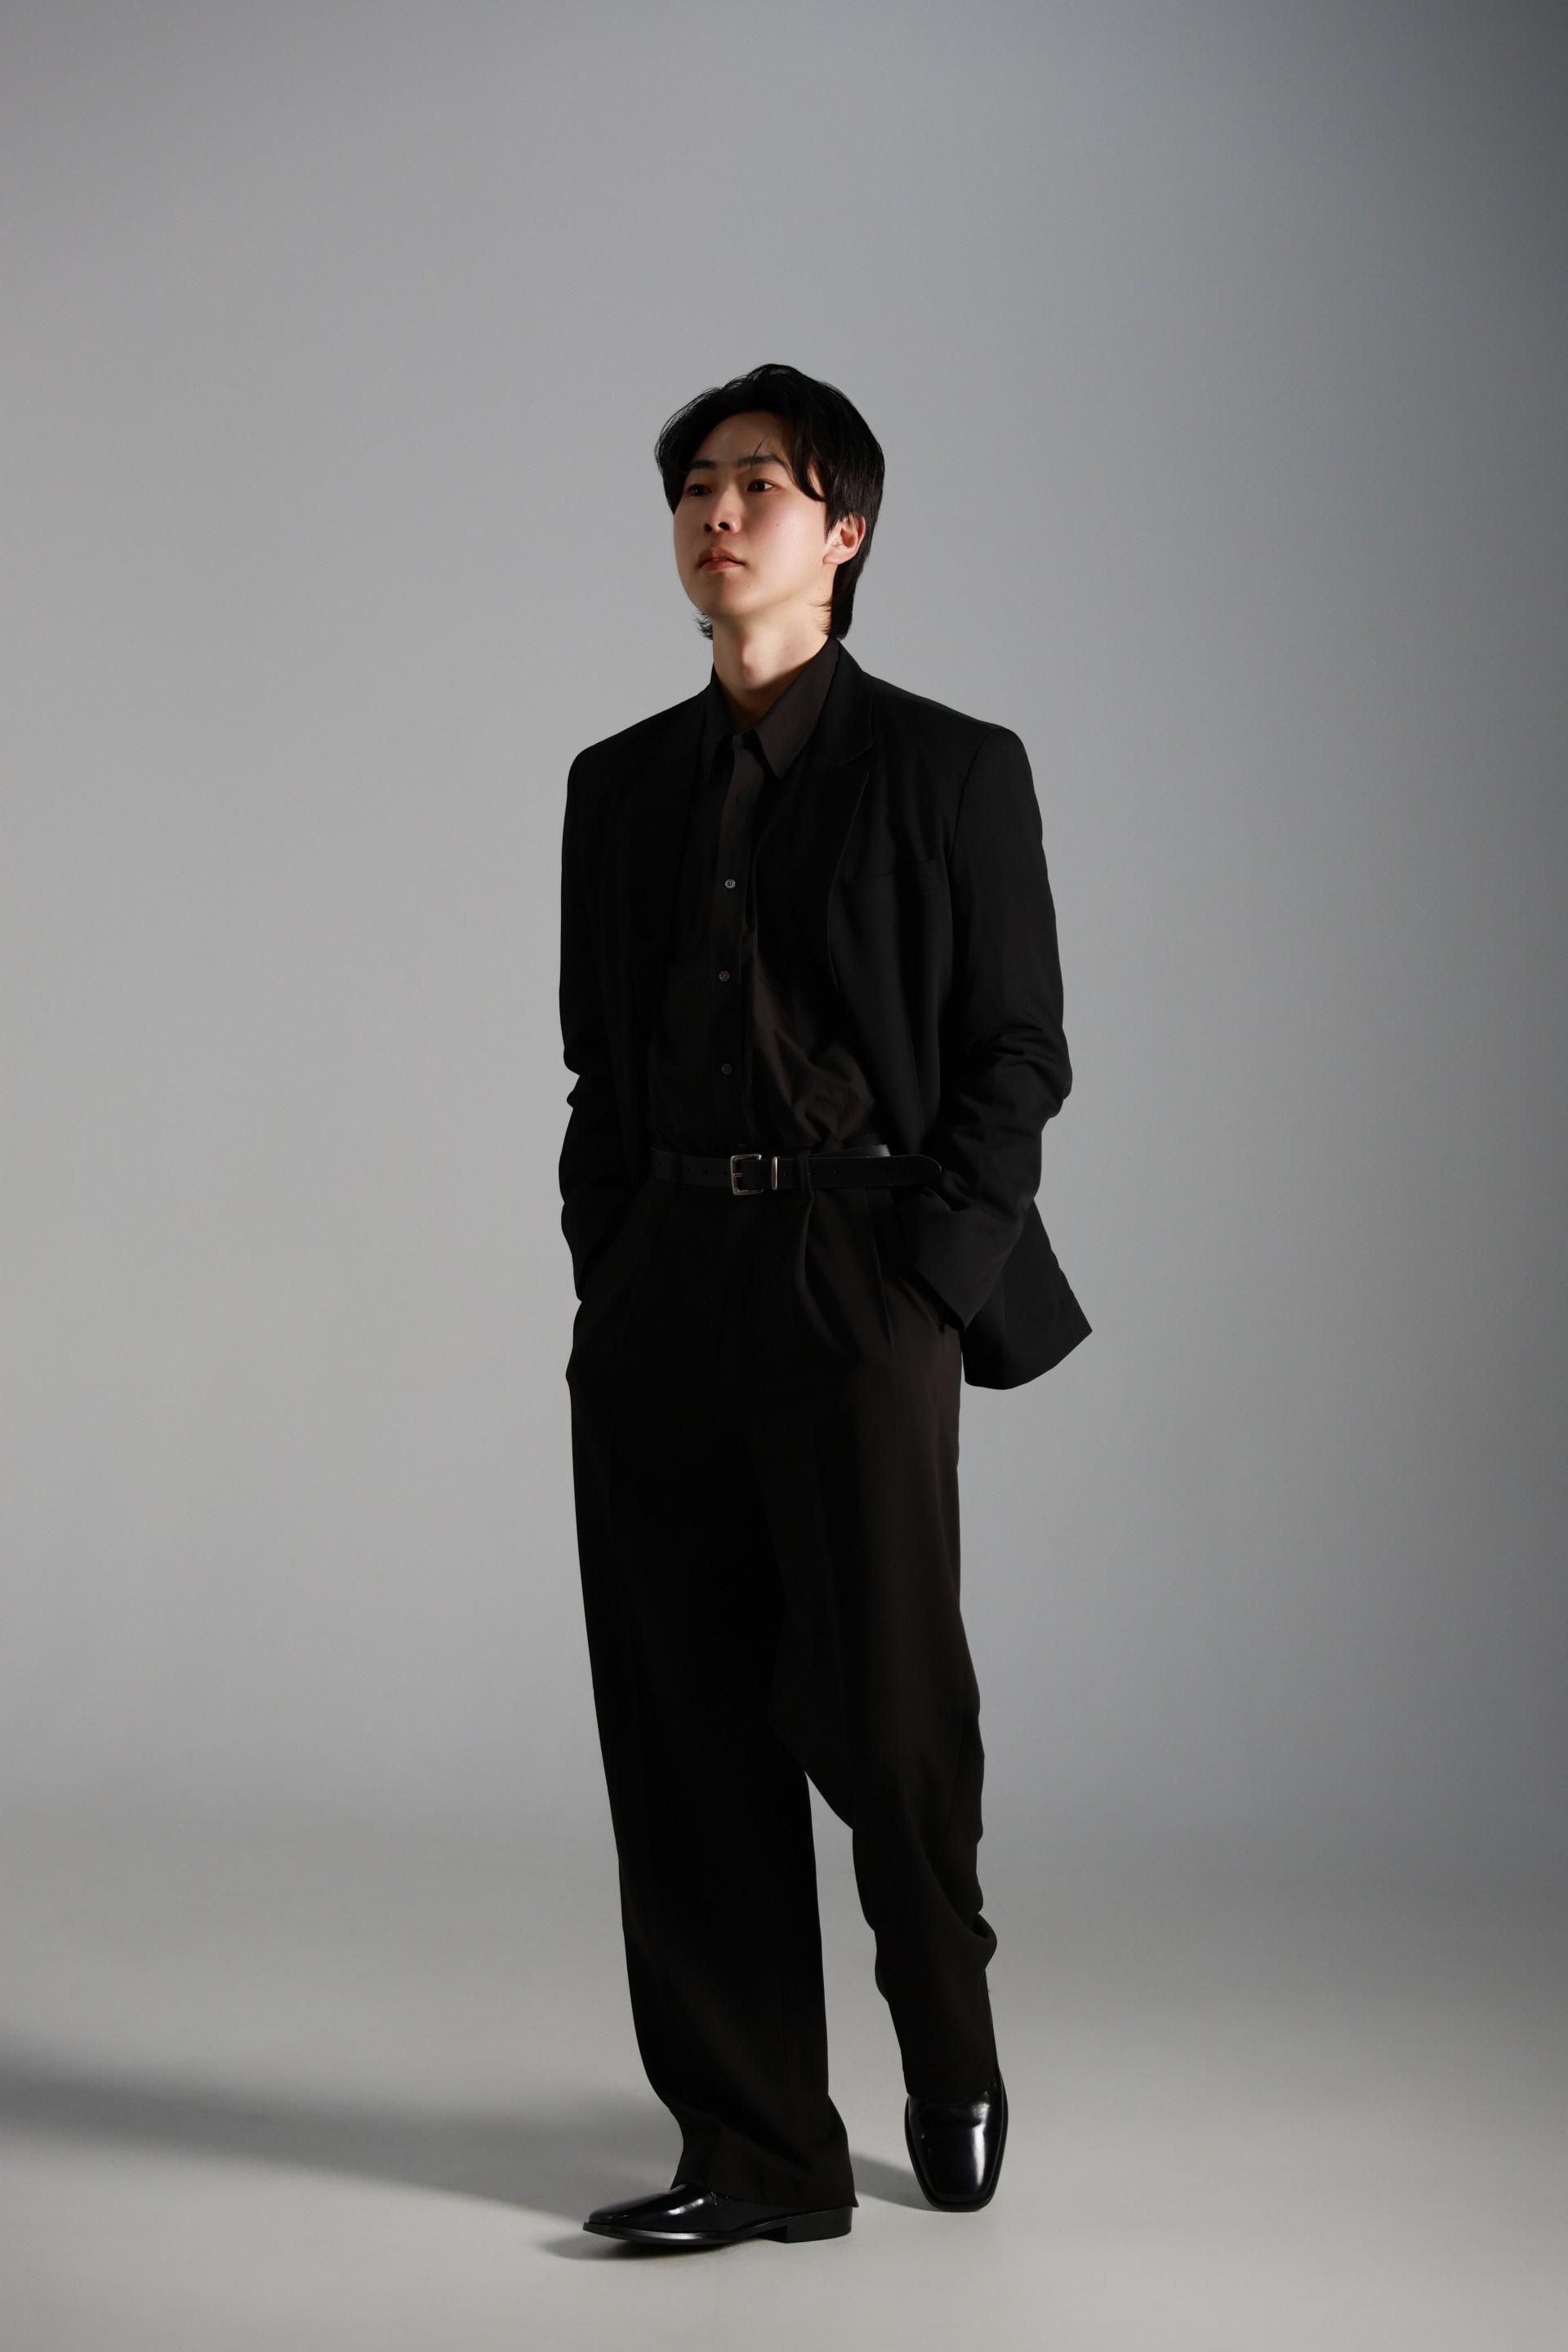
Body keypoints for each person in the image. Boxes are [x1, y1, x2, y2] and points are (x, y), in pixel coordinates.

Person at [558, 361, 1090, 2252]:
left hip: (857, 1280)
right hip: (664, 1290)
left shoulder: (952, 769)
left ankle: (947, 2037)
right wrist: (608, 1258)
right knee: (683, 1723)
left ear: (843, 532)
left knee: (889, 1714)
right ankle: (758, 2149)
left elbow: (1018, 1055)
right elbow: (598, 1070)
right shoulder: (618, 786)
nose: (719, 515)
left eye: (762, 486)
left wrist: (927, 1284)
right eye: (695, 485)